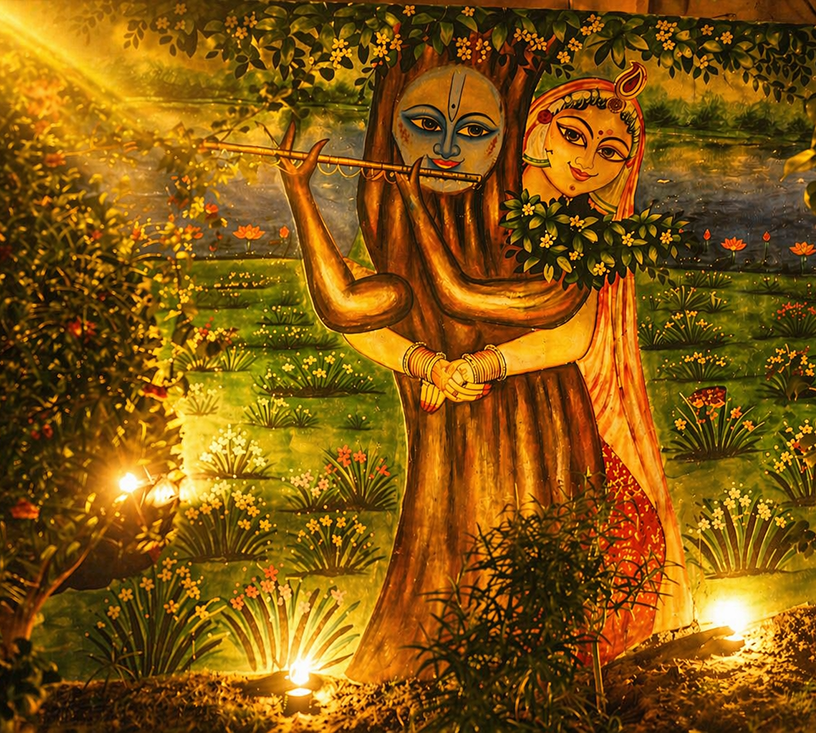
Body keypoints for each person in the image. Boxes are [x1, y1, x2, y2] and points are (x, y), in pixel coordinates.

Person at [278, 62, 691, 681]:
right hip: (452, 416)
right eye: (574, 136)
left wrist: (484, 362)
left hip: (545, 419)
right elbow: (359, 311)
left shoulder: (584, 231)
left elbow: (570, 334)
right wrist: (426, 363)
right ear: (538, 129)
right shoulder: (461, 198)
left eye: (611, 152)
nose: (587, 161)